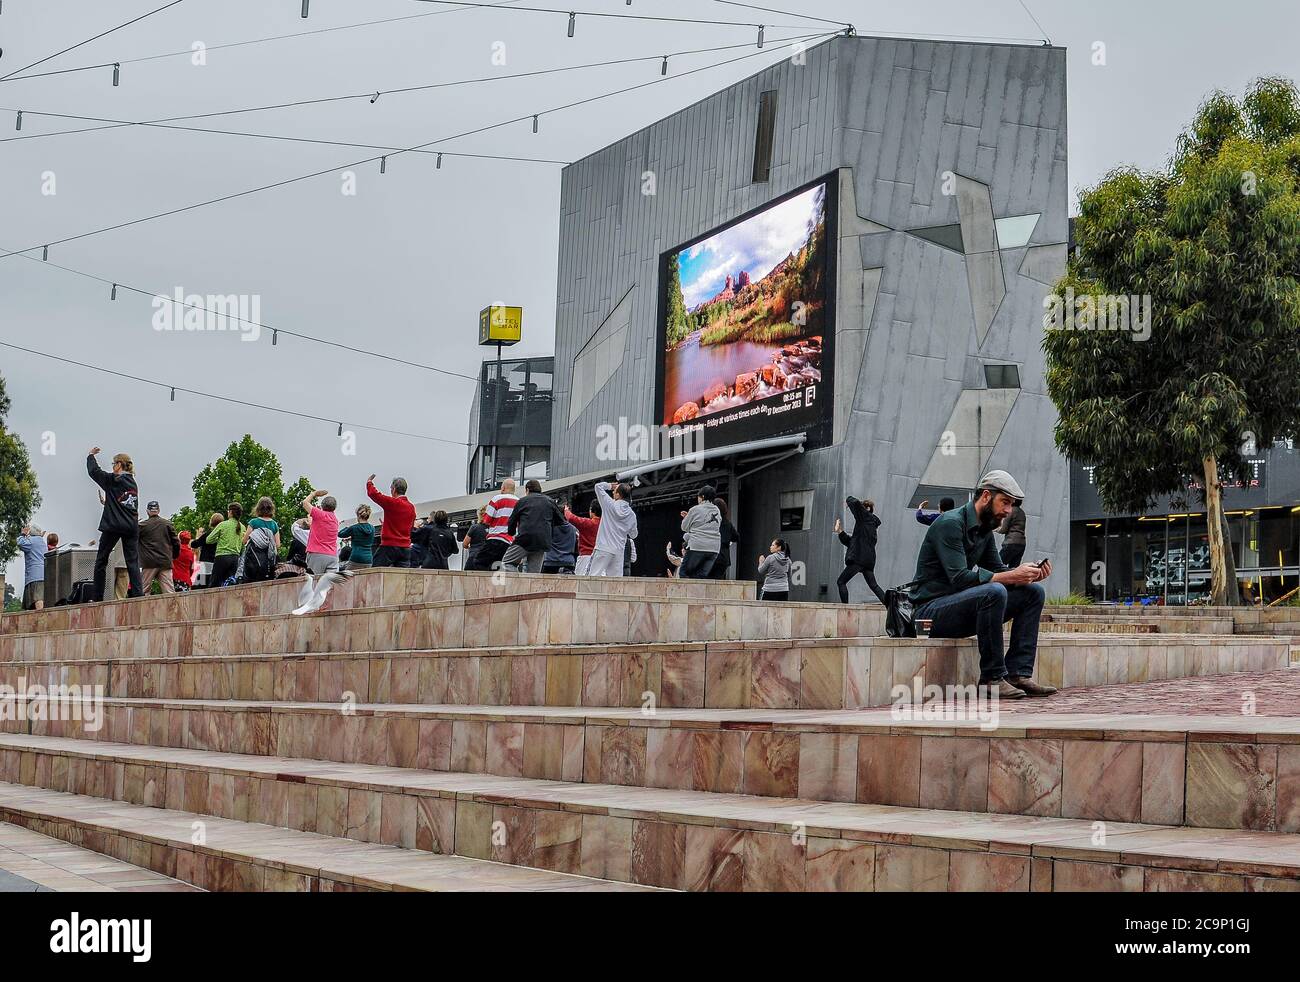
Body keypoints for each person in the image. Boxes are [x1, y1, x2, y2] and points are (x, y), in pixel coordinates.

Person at [910, 470, 1056, 699]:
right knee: (994, 591)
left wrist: (1027, 575)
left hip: (958, 609)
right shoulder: (950, 523)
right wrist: (1011, 576)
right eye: (1005, 502)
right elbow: (959, 579)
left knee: (1032, 593)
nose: (1008, 511)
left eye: (1012, 505)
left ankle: (1018, 673)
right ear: (986, 496)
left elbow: (999, 572)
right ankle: (991, 678)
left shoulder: (984, 531)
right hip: (926, 616)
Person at [86, 448, 144, 602]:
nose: (112, 467)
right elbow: (122, 502)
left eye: (113, 464)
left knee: (101, 560)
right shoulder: (133, 483)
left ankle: (97, 597)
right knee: (132, 561)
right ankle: (139, 595)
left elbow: (94, 472)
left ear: (119, 465)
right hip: (131, 526)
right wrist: (108, 503)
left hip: (114, 525)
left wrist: (91, 456)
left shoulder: (114, 480)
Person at [834, 496, 888, 604]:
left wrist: (848, 501)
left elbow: (855, 502)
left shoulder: (865, 518)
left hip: (859, 558)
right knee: (874, 585)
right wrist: (840, 531)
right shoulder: (868, 526)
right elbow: (852, 543)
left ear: (867, 509)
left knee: (841, 581)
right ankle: (889, 606)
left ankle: (845, 608)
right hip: (868, 560)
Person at [503, 480, 565, 572]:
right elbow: (561, 521)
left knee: (507, 562)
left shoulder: (522, 501)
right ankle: (530, 586)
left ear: (527, 490)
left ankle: (516, 583)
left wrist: (511, 532)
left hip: (524, 539)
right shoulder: (549, 501)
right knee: (534, 573)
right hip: (542, 541)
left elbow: (512, 521)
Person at [587, 481, 637, 577]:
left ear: (618, 495)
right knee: (615, 584)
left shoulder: (609, 504)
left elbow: (598, 487)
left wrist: (610, 485)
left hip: (603, 548)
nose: (613, 492)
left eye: (614, 490)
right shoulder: (632, 515)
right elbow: (633, 535)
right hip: (618, 552)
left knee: (591, 578)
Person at [366, 474, 416, 568]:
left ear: (393, 489)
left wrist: (369, 482)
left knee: (375, 574)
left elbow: (373, 494)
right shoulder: (411, 507)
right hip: (405, 548)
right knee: (401, 579)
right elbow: (410, 527)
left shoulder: (392, 503)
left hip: (389, 546)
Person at [679, 485, 722, 578]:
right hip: (714, 549)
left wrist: (687, 518)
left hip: (697, 546)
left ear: (702, 497)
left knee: (683, 573)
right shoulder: (717, 510)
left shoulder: (695, 509)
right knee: (700, 577)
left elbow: (684, 527)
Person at [138, 500, 181, 594]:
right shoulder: (167, 524)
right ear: (158, 510)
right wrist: (174, 556)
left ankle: (145, 609)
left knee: (144, 591)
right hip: (165, 561)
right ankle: (172, 609)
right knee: (169, 592)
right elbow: (176, 542)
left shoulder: (142, 526)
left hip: (148, 562)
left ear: (147, 511)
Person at [239, 496, 281, 583]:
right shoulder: (274, 524)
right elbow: (277, 544)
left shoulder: (253, 522)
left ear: (258, 508)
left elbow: (244, 541)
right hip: (268, 563)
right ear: (271, 509)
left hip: (253, 563)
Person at [301, 489, 341, 574]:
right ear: (334, 507)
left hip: (317, 554)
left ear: (322, 506)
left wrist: (314, 494)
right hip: (332, 556)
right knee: (329, 585)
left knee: (313, 582)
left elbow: (305, 503)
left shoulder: (319, 514)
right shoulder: (335, 520)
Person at [208, 503, 246, 588]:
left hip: (221, 557)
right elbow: (243, 545)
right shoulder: (243, 527)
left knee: (214, 583)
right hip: (235, 558)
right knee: (229, 584)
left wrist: (219, 538)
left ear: (231, 512)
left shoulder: (223, 524)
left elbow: (209, 540)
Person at [565, 499, 600, 575]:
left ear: (591, 510)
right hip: (600, 558)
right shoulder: (605, 525)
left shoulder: (588, 523)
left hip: (585, 557)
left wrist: (566, 510)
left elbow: (571, 518)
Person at [338, 505, 376, 569]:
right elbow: (365, 539)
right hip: (368, 559)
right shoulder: (372, 528)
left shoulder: (354, 528)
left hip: (356, 557)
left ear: (358, 515)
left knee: (346, 577)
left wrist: (346, 528)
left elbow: (340, 534)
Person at [191, 512, 223, 588]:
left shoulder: (208, 535)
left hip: (205, 562)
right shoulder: (222, 536)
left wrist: (198, 537)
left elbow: (194, 544)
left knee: (200, 585)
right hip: (217, 562)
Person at [17, 525, 46, 610]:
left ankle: (41, 619)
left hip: (34, 575)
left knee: (37, 598)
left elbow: (20, 543)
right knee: (37, 599)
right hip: (43, 574)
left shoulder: (31, 541)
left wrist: (23, 534)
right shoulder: (41, 541)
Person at [708, 498, 738, 580]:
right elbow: (736, 537)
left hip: (711, 554)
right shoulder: (727, 523)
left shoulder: (711, 522)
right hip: (723, 557)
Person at [484, 479, 519, 546]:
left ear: (503, 488)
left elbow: (486, 520)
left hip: (494, 538)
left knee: (482, 557)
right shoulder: (519, 502)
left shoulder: (496, 499)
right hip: (510, 542)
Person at [998, 502, 1027, 568]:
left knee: (996, 565)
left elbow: (1003, 529)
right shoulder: (1022, 512)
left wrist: (994, 528)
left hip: (1011, 542)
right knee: (1013, 569)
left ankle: (983, 578)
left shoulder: (1011, 511)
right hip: (1021, 544)